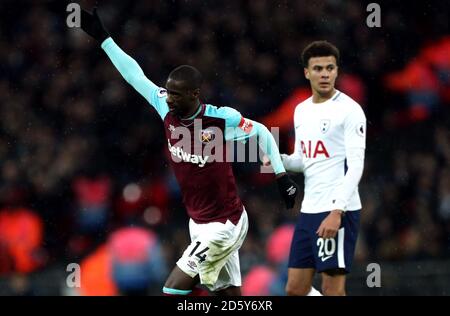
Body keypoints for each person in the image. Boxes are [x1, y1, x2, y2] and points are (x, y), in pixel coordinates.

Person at [77, 8, 299, 296]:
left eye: (175, 94)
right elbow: (135, 76)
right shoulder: (164, 108)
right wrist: (103, 37)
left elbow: (261, 132)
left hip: (225, 224)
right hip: (199, 222)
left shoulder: (221, 119)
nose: (168, 98)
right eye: (167, 92)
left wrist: (281, 176)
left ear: (194, 94)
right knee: (226, 296)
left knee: (172, 290)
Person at [268, 41, 366, 296]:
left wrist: (337, 211)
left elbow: (356, 166)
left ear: (337, 71)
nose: (324, 74)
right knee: (295, 289)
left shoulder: (350, 111)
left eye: (330, 68)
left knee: (332, 289)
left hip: (336, 210)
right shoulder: (301, 110)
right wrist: (279, 160)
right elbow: (304, 159)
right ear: (307, 72)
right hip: (309, 210)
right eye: (318, 68)